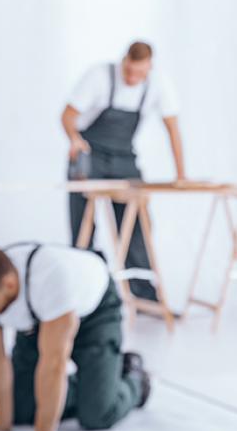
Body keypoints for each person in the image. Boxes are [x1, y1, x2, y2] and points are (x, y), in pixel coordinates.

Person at [0, 243, 151, 431]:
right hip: (39, 321)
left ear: (9, 284)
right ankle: (90, 385)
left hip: (95, 314)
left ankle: (134, 377)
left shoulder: (51, 280)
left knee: (97, 413)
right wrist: (2, 421)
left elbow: (53, 364)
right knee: (20, 408)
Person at [61, 41, 185, 303]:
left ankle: (145, 295)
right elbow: (68, 115)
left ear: (149, 68)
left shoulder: (158, 85)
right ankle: (86, 295)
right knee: (82, 225)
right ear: (123, 61)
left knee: (137, 223)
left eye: (139, 74)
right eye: (128, 71)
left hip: (124, 158)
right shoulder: (99, 76)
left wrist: (181, 174)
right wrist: (74, 138)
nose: (132, 78)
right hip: (89, 153)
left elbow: (172, 129)